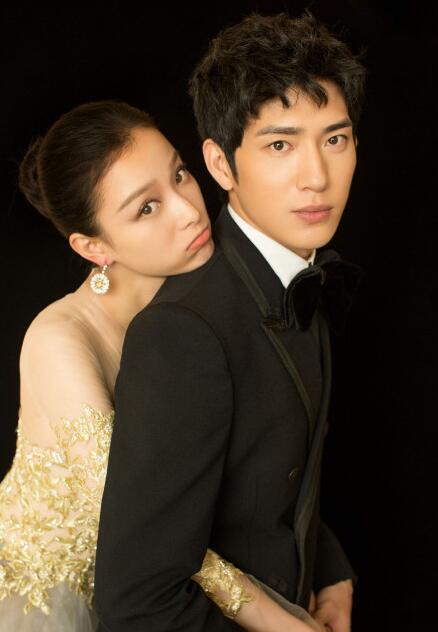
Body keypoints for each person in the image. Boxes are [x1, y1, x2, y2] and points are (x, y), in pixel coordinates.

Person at [0, 99, 322, 632]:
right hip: (51, 600)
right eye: (146, 208)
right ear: (93, 246)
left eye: (179, 174)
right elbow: (146, 532)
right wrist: (279, 621)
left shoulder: (207, 296)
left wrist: (327, 566)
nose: (189, 210)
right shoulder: (59, 342)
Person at [94, 11, 366, 632]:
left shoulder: (301, 272)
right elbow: (138, 603)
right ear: (220, 165)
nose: (317, 177)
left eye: (335, 140)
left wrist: (332, 572)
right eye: (280, 145)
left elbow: (272, 479)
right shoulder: (182, 333)